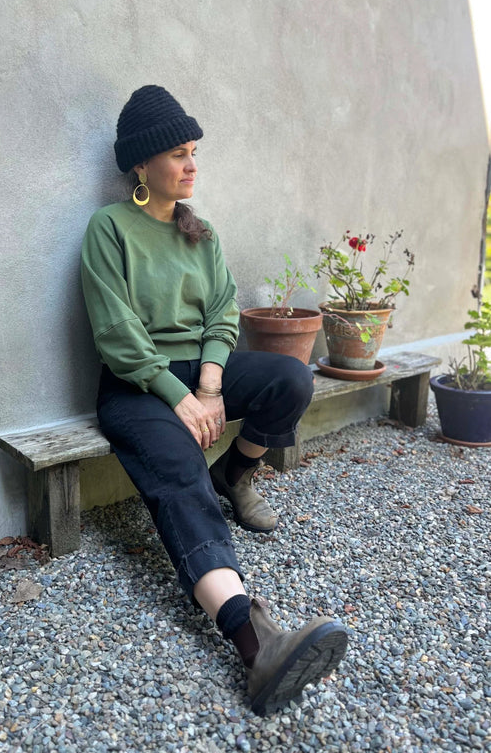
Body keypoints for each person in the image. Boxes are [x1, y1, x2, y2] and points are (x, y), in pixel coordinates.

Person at [80, 85, 348, 714]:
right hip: (136, 384)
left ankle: (236, 473)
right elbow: (116, 332)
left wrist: (209, 384)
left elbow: (223, 311)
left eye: (194, 152)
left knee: (291, 378)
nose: (192, 165)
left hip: (198, 375)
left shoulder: (200, 232)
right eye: (178, 154)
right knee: (181, 474)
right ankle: (256, 645)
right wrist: (180, 397)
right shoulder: (109, 228)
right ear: (141, 165)